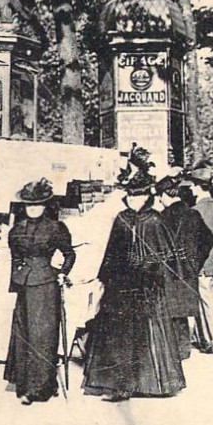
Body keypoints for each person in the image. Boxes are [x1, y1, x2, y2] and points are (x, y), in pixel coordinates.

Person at [83, 166, 186, 402]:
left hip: (147, 289)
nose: (132, 200)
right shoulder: (121, 219)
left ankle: (150, 384)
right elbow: (110, 253)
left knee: (147, 334)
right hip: (119, 289)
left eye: (137, 196)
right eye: (130, 195)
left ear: (146, 197)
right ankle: (119, 385)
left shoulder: (155, 221)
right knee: (118, 336)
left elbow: (167, 256)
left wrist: (152, 271)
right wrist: (104, 277)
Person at [4, 178, 75, 405]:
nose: (33, 209)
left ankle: (42, 386)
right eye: (29, 205)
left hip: (46, 285)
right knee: (24, 333)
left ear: (45, 205)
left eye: (37, 205)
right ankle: (25, 386)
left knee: (43, 335)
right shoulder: (16, 230)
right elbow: (15, 258)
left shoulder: (56, 228)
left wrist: (63, 272)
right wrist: (15, 281)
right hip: (24, 286)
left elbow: (69, 254)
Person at [156, 174, 213, 360]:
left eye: (159, 195)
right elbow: (208, 241)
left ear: (165, 195)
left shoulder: (162, 218)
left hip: (167, 272)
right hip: (188, 273)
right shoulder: (193, 214)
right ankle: (183, 350)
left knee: (167, 314)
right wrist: (195, 264)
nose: (158, 200)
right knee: (181, 314)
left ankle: (171, 354)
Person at [186, 163, 213, 354]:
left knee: (206, 303)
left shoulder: (196, 211)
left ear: (197, 186)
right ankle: (201, 337)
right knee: (207, 300)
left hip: (203, 266)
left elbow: (194, 242)